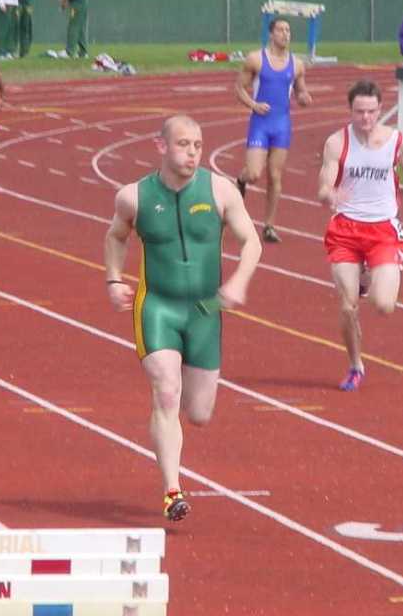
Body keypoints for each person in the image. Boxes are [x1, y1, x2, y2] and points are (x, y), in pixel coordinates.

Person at [104, 115, 261, 521]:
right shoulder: (133, 197)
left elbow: (252, 242)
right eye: (183, 144)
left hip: (206, 311)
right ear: (161, 146)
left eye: (197, 145)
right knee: (166, 389)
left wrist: (239, 282)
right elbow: (115, 236)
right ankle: (172, 489)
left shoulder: (220, 190)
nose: (192, 153)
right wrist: (113, 279)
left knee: (200, 413)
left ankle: (172, 439)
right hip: (157, 306)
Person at [317, 79, 403, 392]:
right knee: (347, 304)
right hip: (345, 230)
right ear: (350, 111)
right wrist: (331, 195)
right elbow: (323, 185)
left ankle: (368, 279)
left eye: (371, 112)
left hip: (383, 230)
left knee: (384, 305)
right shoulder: (336, 143)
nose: (366, 118)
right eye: (359, 112)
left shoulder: (396, 141)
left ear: (381, 110)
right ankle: (355, 366)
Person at [235, 17, 312, 242]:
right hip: (260, 124)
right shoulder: (256, 59)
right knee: (254, 174)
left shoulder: (297, 64)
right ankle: (241, 179)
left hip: (282, 125)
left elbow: (300, 91)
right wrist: (253, 105)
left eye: (288, 30)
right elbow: (239, 88)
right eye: (281, 29)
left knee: (275, 176)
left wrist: (304, 97)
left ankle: (269, 225)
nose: (285, 34)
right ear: (271, 33)